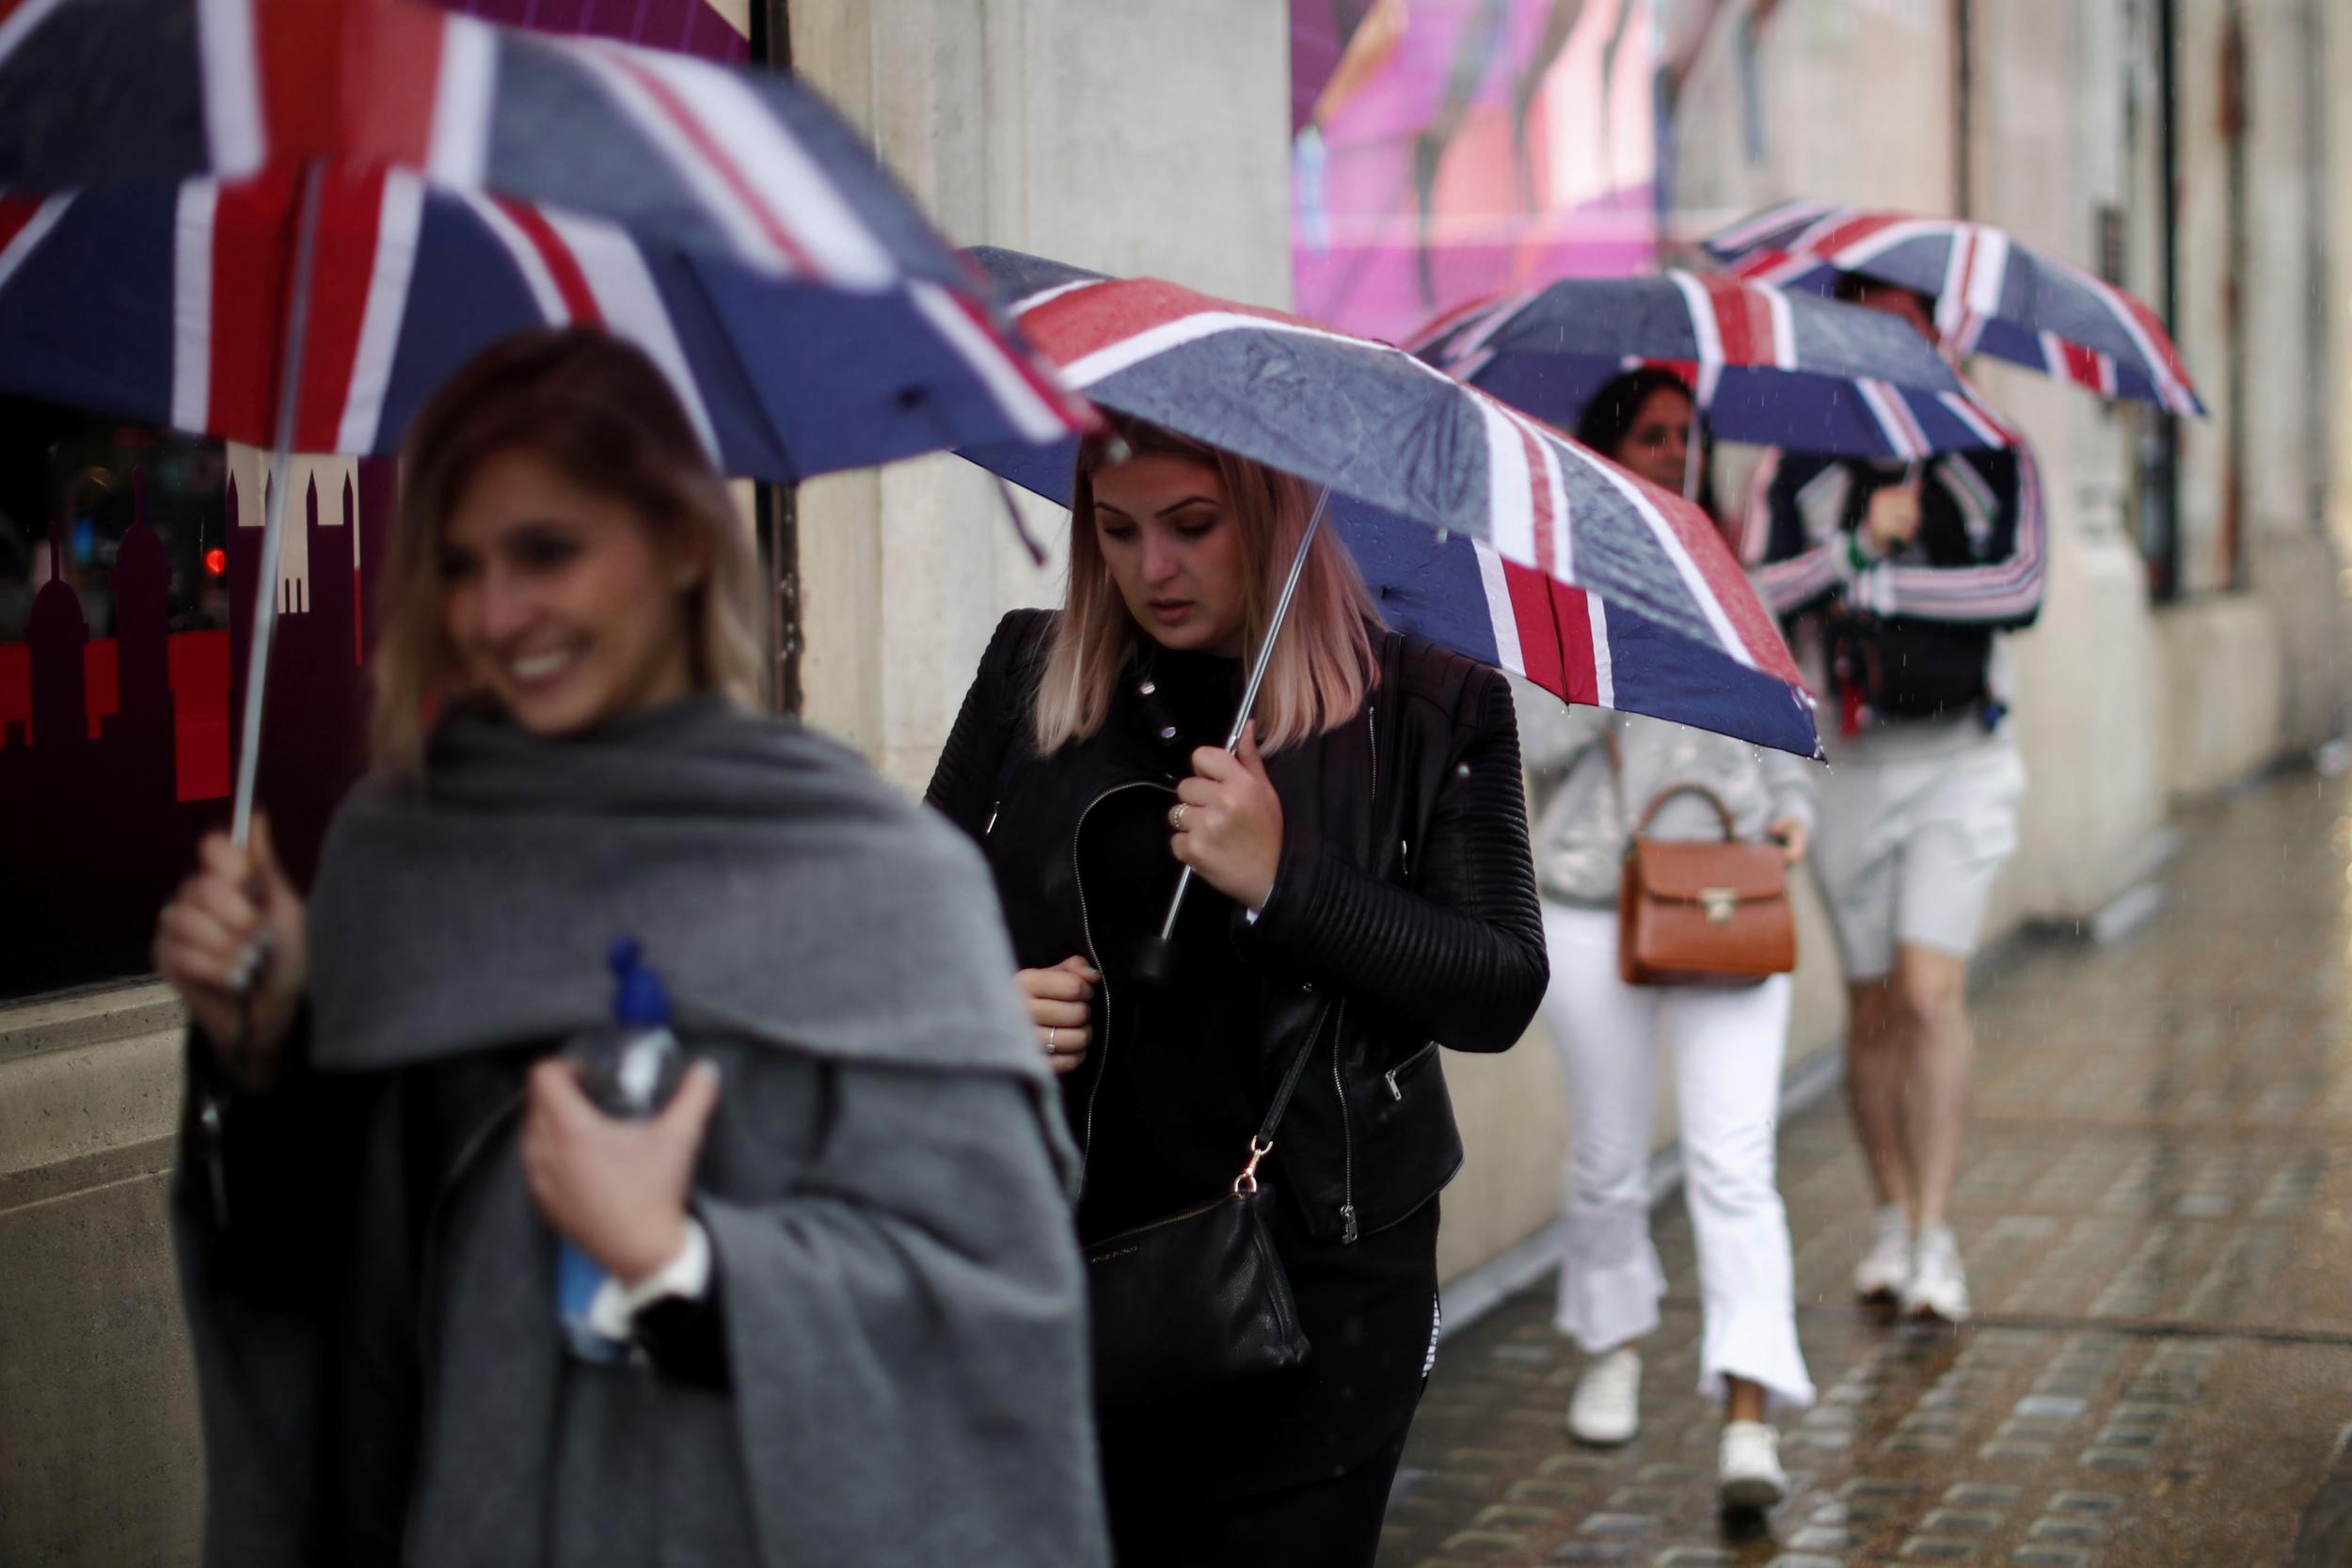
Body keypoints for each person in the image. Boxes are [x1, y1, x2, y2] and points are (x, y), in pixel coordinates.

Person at [152, 328, 1107, 1568]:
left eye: (547, 551)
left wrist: (685, 1262)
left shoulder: (876, 878)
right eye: (459, 564)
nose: (498, 613)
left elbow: (994, 1315)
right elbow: (333, 1300)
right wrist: (270, 1050)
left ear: (673, 544)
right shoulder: (398, 855)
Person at [925, 416, 1548, 1568]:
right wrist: (971, 1003)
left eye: (1192, 526)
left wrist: (1286, 879)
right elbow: (902, 932)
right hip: (1062, 1268)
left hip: (1317, 1296)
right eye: (1116, 530)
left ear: (1272, 518)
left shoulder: (1424, 704)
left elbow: (1498, 986)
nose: (1151, 567)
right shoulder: (1029, 672)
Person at [1515, 369, 1816, 1511]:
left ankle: (1748, 1410)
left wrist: (1796, 812)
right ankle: (1610, 1342)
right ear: (1607, 449)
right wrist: (1617, 644)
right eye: (1653, 434)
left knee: (1736, 1161)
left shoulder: (1731, 575)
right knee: (1603, 1159)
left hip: (1731, 892)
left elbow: (1790, 720)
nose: (1676, 453)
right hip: (1595, 900)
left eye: (1688, 435)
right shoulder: (1557, 588)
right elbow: (1529, 740)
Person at [1744, 277, 2045, 1324]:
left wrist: (1880, 585)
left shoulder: (1994, 448)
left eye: (1904, 326)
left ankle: (1933, 1229)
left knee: (1927, 993)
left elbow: (2021, 586)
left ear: (1936, 336)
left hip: (1960, 760)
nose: (1887, 345)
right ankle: (1886, 1219)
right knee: (1870, 1006)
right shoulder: (1799, 460)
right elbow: (1750, 593)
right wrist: (1856, 549)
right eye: (1864, 326)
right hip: (1849, 765)